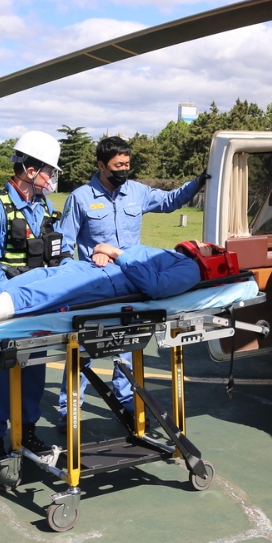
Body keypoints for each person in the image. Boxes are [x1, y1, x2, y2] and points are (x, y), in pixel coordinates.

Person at [56, 135, 208, 426]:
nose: (123, 170)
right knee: (84, 349)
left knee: (128, 344)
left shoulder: (136, 192)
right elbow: (64, 245)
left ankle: (127, 400)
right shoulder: (80, 197)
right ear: (101, 165)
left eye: (127, 163)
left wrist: (198, 182)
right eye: (117, 165)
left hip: (133, 281)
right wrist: (83, 266)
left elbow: (168, 201)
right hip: (96, 285)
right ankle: (69, 410)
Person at [0, 131, 67, 470]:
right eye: (48, 171)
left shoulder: (43, 205)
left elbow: (57, 250)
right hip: (10, 307)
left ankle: (26, 431)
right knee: (0, 371)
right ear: (29, 169)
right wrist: (10, 291)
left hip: (41, 307)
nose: (51, 178)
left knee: (34, 370)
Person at [0, 243, 200, 330]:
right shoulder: (168, 253)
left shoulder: (191, 269)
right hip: (82, 269)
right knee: (6, 286)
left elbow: (155, 286)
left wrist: (116, 253)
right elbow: (116, 254)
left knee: (24, 298)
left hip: (99, 282)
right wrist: (101, 251)